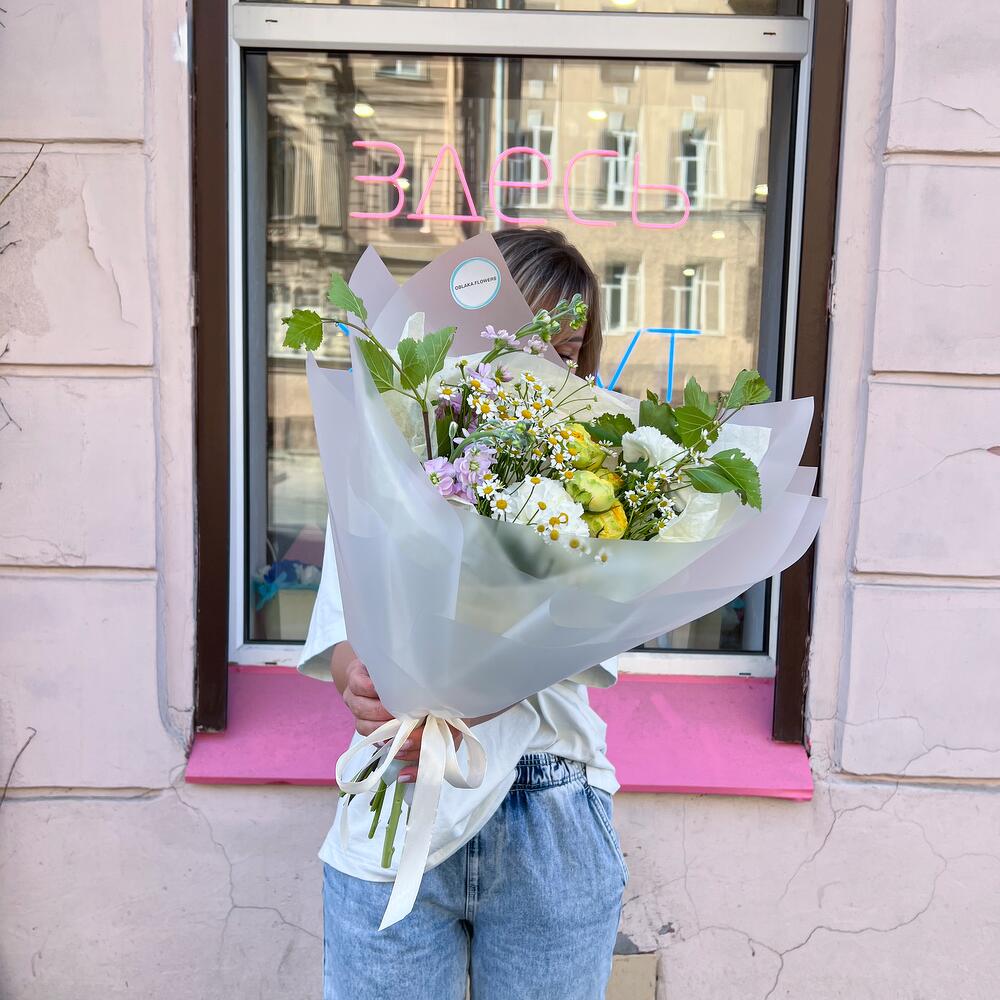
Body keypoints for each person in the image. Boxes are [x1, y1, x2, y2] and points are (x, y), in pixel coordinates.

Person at [299, 227, 626, 1000]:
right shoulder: (392, 457)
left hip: (547, 805)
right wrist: (363, 685)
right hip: (398, 792)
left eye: (566, 350)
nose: (544, 369)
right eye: (523, 343)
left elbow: (577, 647)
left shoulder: (595, 482)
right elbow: (343, 638)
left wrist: (451, 699)